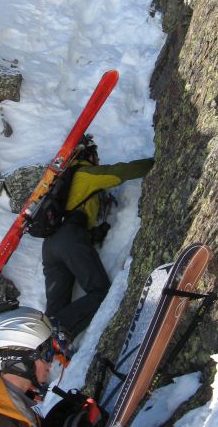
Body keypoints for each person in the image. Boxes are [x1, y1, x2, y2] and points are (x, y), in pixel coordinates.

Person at [42, 135, 153, 339]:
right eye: (96, 156)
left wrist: (94, 234)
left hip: (50, 246)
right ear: (88, 155)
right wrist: (156, 162)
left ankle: (45, 347)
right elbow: (119, 172)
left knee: (56, 308)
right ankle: (61, 327)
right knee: (100, 292)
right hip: (70, 237)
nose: (98, 161)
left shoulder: (61, 184)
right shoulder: (84, 172)